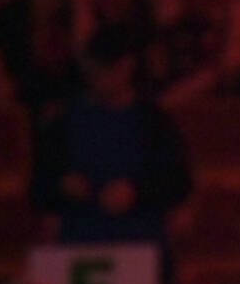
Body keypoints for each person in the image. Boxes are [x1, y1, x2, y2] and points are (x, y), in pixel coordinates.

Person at [28, 22, 192, 261]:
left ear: (126, 67)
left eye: (105, 69)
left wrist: (136, 192)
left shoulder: (153, 122)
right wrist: (62, 186)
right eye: (94, 70)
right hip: (79, 241)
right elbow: (39, 186)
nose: (99, 78)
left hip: (139, 241)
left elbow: (178, 182)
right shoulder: (63, 122)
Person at [128, 0, 218, 108]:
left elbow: (211, 72)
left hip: (191, 109)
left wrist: (171, 99)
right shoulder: (136, 31)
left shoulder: (198, 25)